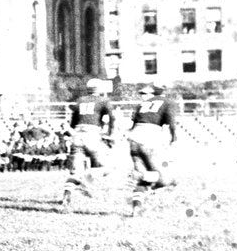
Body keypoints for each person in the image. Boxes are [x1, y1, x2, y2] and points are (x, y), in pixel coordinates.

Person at [61, 77, 117, 206]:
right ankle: (86, 182)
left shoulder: (80, 101)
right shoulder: (103, 100)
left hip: (77, 135)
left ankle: (67, 195)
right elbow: (112, 118)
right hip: (91, 134)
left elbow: (74, 122)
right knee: (106, 167)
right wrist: (111, 134)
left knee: (76, 171)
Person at [126, 82, 182, 189]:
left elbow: (133, 123)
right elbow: (171, 122)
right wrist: (174, 138)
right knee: (163, 179)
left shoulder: (143, 103)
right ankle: (136, 176)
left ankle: (138, 198)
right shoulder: (168, 102)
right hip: (149, 138)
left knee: (145, 178)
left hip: (134, 138)